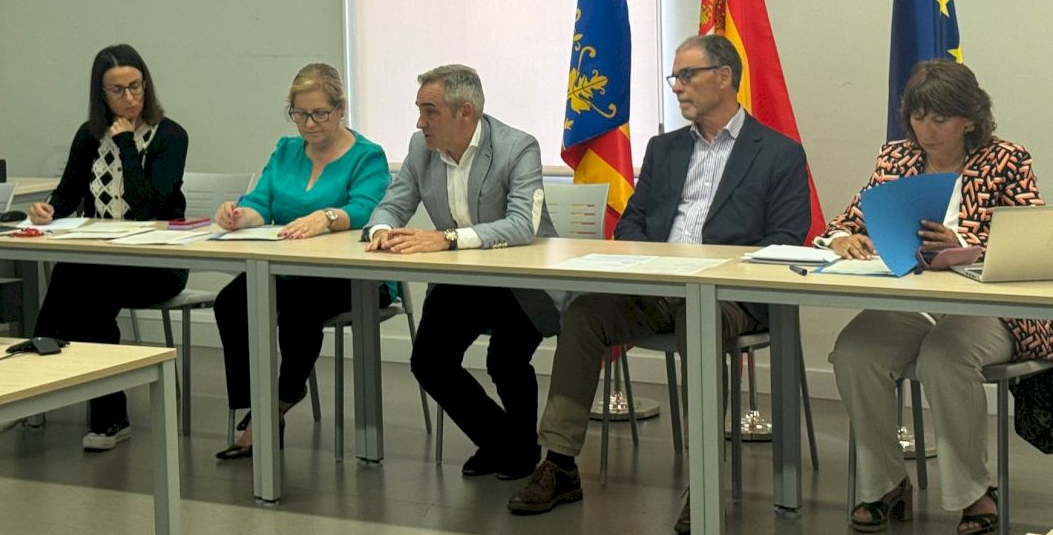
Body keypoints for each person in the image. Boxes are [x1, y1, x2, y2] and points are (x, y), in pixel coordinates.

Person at [508, 34, 811, 531]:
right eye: (675, 76)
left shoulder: (779, 154)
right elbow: (632, 222)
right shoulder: (664, 149)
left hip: (729, 296)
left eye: (687, 75)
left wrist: (709, 271)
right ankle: (559, 465)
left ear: (724, 77)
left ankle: (704, 482)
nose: (677, 86)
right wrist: (650, 263)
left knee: (699, 319)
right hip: (656, 287)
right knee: (584, 312)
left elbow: (783, 240)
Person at [823, 60, 1048, 535]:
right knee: (854, 351)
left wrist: (964, 242)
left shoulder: (1006, 159)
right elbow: (849, 219)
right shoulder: (896, 158)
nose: (926, 130)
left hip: (989, 308)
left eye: (940, 119)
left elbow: (1031, 241)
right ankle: (886, 484)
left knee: (945, 358)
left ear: (969, 118)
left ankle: (974, 492)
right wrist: (843, 238)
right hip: (916, 302)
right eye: (918, 117)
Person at [365, 64, 564, 481]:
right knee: (429, 361)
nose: (420, 123)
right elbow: (393, 203)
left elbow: (521, 226)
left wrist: (447, 239)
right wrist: (382, 230)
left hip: (521, 280)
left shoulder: (517, 147)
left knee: (505, 361)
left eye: (430, 111)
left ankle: (520, 449)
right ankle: (503, 442)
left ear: (465, 112)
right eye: (419, 111)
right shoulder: (421, 148)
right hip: (464, 280)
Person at [212, 63, 391, 460]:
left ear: (341, 109)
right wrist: (240, 216)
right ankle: (256, 404)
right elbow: (261, 203)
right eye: (300, 114)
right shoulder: (285, 150)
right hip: (287, 270)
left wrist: (327, 217)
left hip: (352, 277)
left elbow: (368, 209)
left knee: (298, 310)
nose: (309, 124)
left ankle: (281, 399)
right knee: (231, 303)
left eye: (320, 113)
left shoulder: (367, 156)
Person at [31, 44, 189, 451]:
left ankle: (45, 380)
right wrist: (48, 209)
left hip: (159, 264)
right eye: (117, 90)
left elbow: (147, 206)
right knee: (76, 275)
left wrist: (126, 146)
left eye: (135, 86)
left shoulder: (171, 136)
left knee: (86, 285)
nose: (129, 97)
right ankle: (55, 385)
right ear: (101, 94)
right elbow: (67, 195)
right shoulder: (88, 136)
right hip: (102, 260)